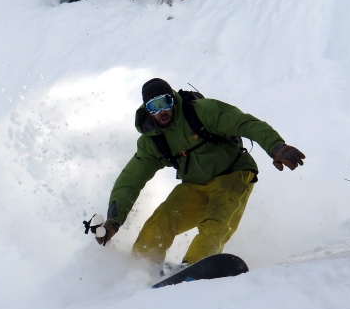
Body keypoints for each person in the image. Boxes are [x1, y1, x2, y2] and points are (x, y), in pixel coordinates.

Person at [96, 78, 304, 266]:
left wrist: (276, 147)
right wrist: (114, 221)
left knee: (217, 221)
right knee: (161, 219)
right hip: (194, 187)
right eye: (154, 106)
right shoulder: (153, 141)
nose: (162, 111)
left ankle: (195, 265)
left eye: (166, 102)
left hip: (233, 175)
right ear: (147, 110)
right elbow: (131, 179)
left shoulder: (203, 112)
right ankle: (141, 268)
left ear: (174, 100)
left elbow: (245, 123)